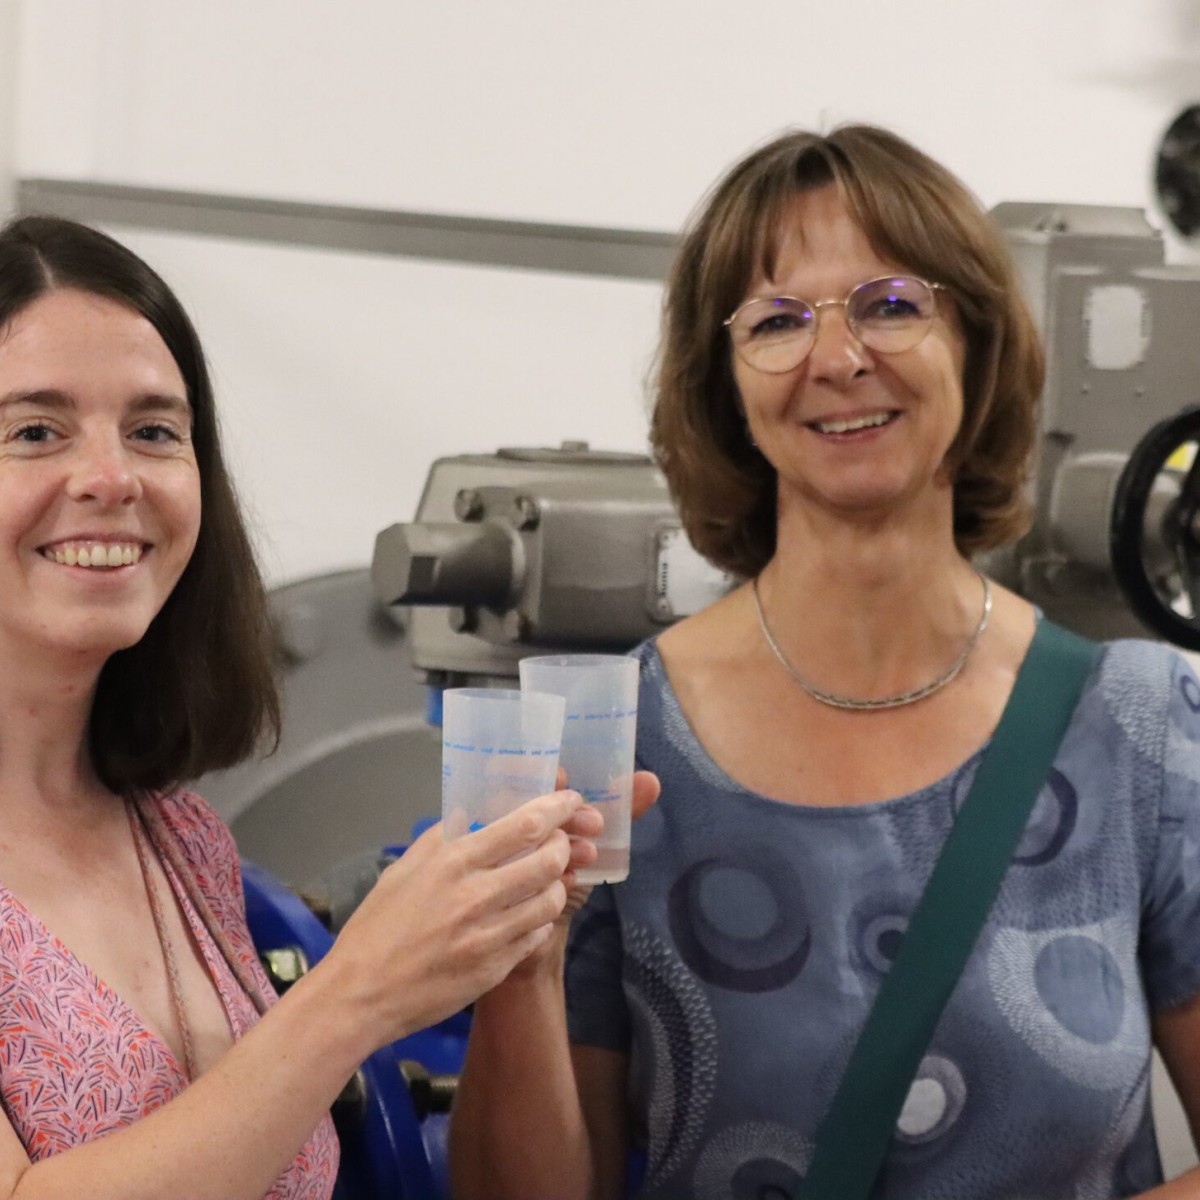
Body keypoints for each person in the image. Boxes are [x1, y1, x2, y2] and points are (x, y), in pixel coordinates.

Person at [448, 125, 1200, 1199]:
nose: (839, 359)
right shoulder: (616, 742)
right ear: (726, 385)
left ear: (978, 348)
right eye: (777, 321)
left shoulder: (1144, 728)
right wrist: (516, 969)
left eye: (893, 305)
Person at [0, 213, 611, 1200]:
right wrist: (358, 990)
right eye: (35, 431)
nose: (112, 478)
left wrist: (511, 951)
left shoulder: (180, 841)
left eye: (156, 431)